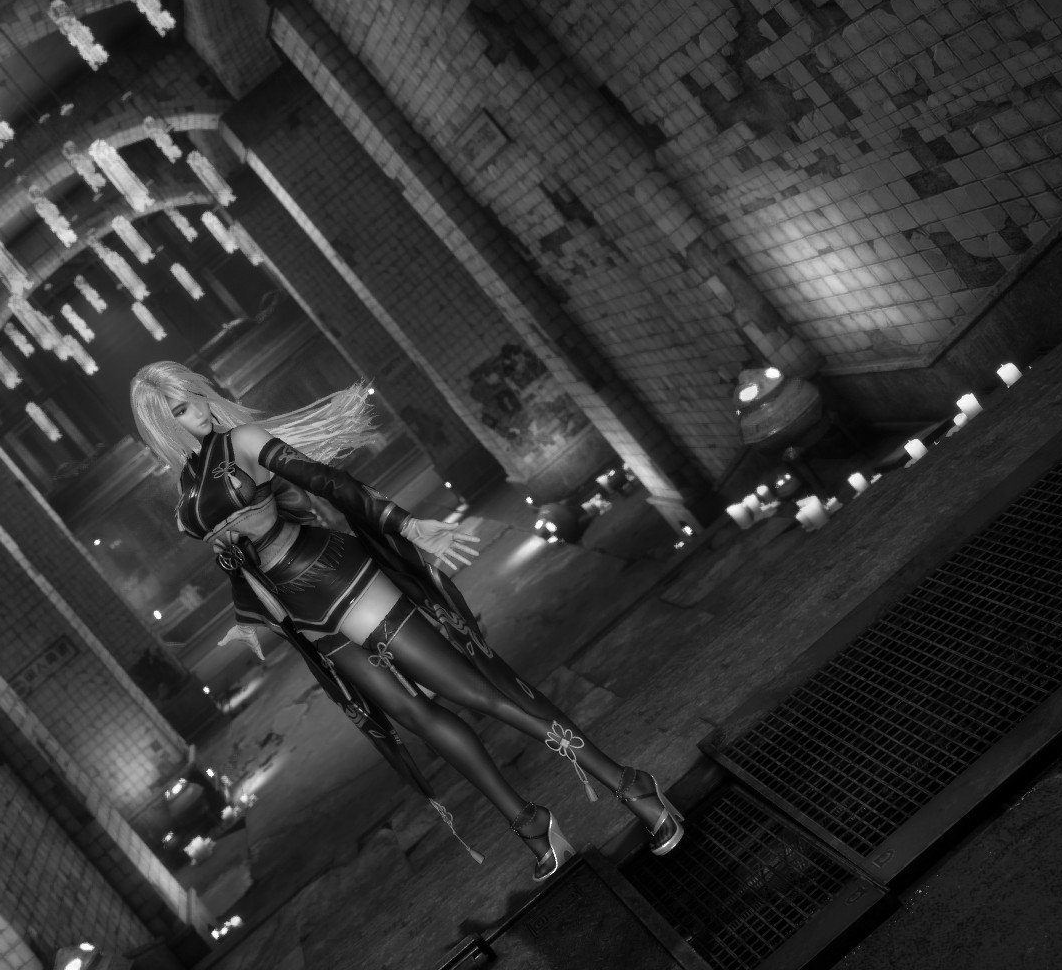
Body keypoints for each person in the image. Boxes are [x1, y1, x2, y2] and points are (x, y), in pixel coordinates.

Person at [130, 362, 683, 880]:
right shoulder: (188, 485)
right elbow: (234, 553)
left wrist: (408, 526)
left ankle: (629, 782)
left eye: (195, 397)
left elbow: (328, 482)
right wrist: (245, 601)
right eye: (180, 410)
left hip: (338, 575)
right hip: (303, 613)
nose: (198, 410)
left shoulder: (242, 442)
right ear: (161, 427)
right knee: (415, 716)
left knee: (477, 692)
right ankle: (530, 823)